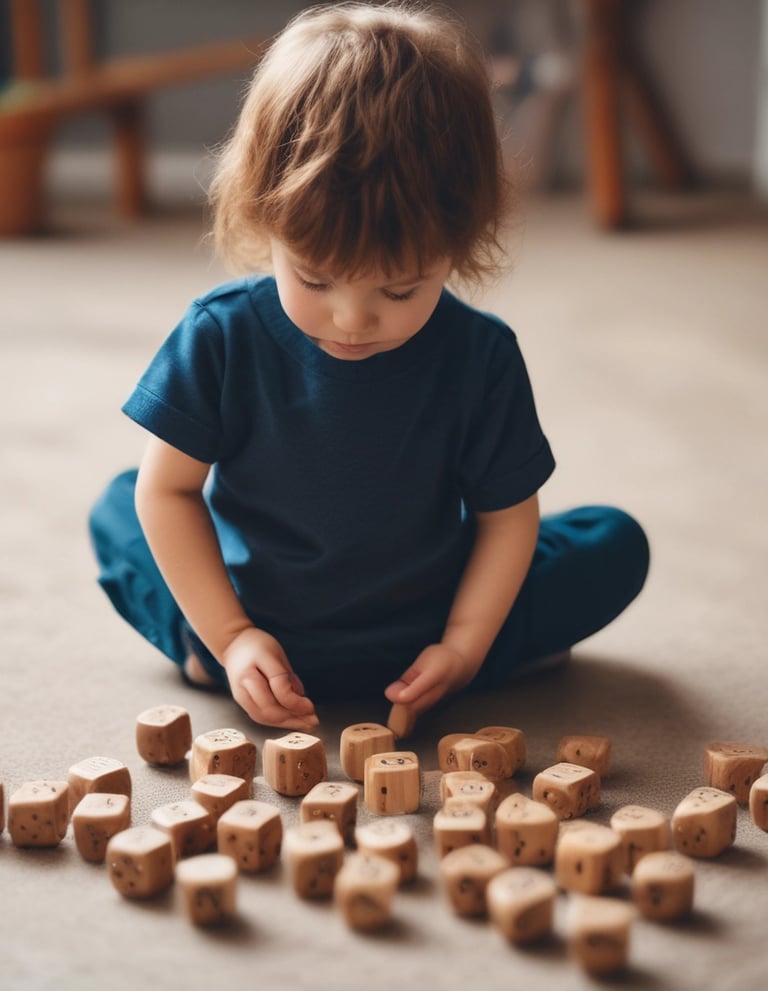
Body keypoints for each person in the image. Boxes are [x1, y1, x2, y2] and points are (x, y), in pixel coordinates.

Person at [89, 2, 649, 731]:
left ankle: (205, 653)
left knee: (127, 501)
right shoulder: (477, 353)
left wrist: (226, 638)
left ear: (462, 238)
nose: (353, 319)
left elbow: (167, 497)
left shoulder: (219, 332)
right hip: (388, 633)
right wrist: (468, 644)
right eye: (316, 278)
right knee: (607, 541)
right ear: (266, 219)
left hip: (350, 635)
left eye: (400, 287)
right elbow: (508, 522)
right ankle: (478, 657)